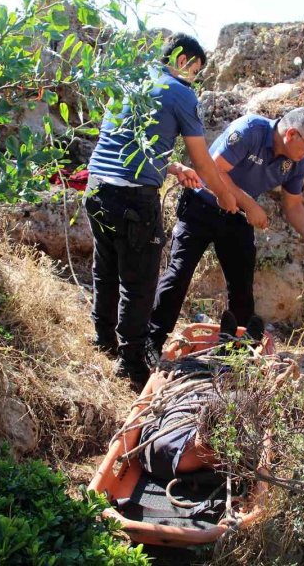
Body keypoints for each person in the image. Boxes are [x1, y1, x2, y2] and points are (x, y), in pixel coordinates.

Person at [84, 33, 239, 387]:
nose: (194, 78)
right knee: (139, 283)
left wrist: (172, 168)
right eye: (196, 70)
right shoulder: (181, 92)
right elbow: (202, 158)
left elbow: (124, 143)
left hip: (97, 188)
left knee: (106, 268)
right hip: (133, 198)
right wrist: (224, 196)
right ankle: (132, 365)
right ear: (184, 61)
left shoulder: (131, 81)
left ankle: (103, 341)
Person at [148, 107, 304, 353]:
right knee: (179, 274)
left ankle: (238, 354)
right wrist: (251, 205)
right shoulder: (251, 130)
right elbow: (213, 169)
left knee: (242, 287)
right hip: (201, 205)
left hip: (236, 218)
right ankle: (151, 341)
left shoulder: (296, 164)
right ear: (291, 135)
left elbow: (293, 205)